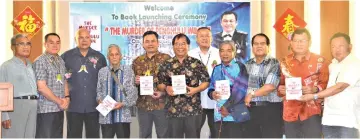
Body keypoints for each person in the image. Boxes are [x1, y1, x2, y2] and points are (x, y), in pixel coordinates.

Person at [300, 33, 360, 138]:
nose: (337, 49)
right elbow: (329, 89)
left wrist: (315, 96)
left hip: (347, 121)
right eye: (333, 46)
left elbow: (339, 87)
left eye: (341, 46)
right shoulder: (332, 65)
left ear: (350, 47)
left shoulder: (354, 64)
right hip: (328, 120)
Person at [277, 28, 329, 138]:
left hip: (312, 111)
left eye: (303, 40)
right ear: (291, 43)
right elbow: (280, 84)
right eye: (296, 41)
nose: (299, 44)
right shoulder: (284, 62)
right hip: (290, 112)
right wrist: (281, 90)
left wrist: (314, 89)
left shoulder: (320, 61)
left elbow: (326, 84)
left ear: (309, 42)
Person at [158, 33, 210, 138]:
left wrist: (196, 89)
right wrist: (166, 88)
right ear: (173, 46)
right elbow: (159, 84)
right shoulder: (166, 64)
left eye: (183, 44)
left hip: (193, 110)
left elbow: (206, 81)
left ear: (188, 46)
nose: (180, 47)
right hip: (173, 110)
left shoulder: (197, 63)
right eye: (177, 44)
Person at [61, 28, 107, 138]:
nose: (84, 40)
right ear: (75, 39)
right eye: (81, 37)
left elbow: (105, 81)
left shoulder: (99, 57)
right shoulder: (66, 57)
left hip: (94, 104)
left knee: (93, 135)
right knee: (73, 135)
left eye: (87, 37)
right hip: (73, 105)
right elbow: (61, 79)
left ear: (91, 39)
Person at [243, 33, 283, 138]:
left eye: (262, 43)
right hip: (251, 110)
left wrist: (251, 94)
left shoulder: (274, 63)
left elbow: (270, 86)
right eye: (256, 44)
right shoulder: (247, 64)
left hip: (270, 110)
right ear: (252, 47)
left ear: (268, 47)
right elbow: (242, 87)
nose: (259, 46)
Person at [132, 31, 170, 138]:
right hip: (143, 105)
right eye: (147, 41)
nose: (150, 44)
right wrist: (135, 81)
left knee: (163, 136)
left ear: (158, 43)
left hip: (162, 105)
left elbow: (173, 82)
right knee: (144, 135)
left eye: (153, 41)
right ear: (143, 44)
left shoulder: (167, 59)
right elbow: (131, 84)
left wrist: (163, 93)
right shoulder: (137, 61)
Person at [207, 40, 249, 138]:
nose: (225, 54)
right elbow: (211, 88)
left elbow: (240, 91)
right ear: (219, 53)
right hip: (219, 115)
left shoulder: (240, 67)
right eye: (222, 51)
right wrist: (212, 94)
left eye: (229, 50)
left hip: (235, 114)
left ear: (234, 52)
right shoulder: (217, 69)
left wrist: (227, 107)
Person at [0, 34, 37, 138]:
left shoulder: (31, 65)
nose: (26, 47)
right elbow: (1, 92)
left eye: (28, 44)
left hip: (33, 106)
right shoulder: (6, 66)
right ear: (12, 47)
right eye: (21, 44)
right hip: (15, 106)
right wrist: (4, 115)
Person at [96, 44, 138, 138]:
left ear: (121, 56)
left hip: (122, 116)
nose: (114, 57)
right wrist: (99, 100)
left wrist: (123, 103)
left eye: (117, 54)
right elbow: (98, 90)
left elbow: (133, 93)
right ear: (108, 57)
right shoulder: (102, 72)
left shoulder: (128, 71)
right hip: (106, 117)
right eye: (111, 54)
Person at [33, 33, 69, 138]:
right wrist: (59, 101)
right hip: (46, 110)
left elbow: (64, 80)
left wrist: (67, 98)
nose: (55, 45)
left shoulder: (60, 61)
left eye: (57, 43)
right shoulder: (40, 61)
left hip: (59, 109)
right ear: (45, 44)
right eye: (51, 42)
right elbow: (41, 87)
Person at [188, 27, 221, 138]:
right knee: (194, 132)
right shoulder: (190, 55)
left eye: (207, 35)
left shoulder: (219, 53)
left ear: (211, 38)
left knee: (216, 132)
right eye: (201, 36)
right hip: (196, 101)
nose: (204, 38)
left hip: (216, 100)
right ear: (196, 39)